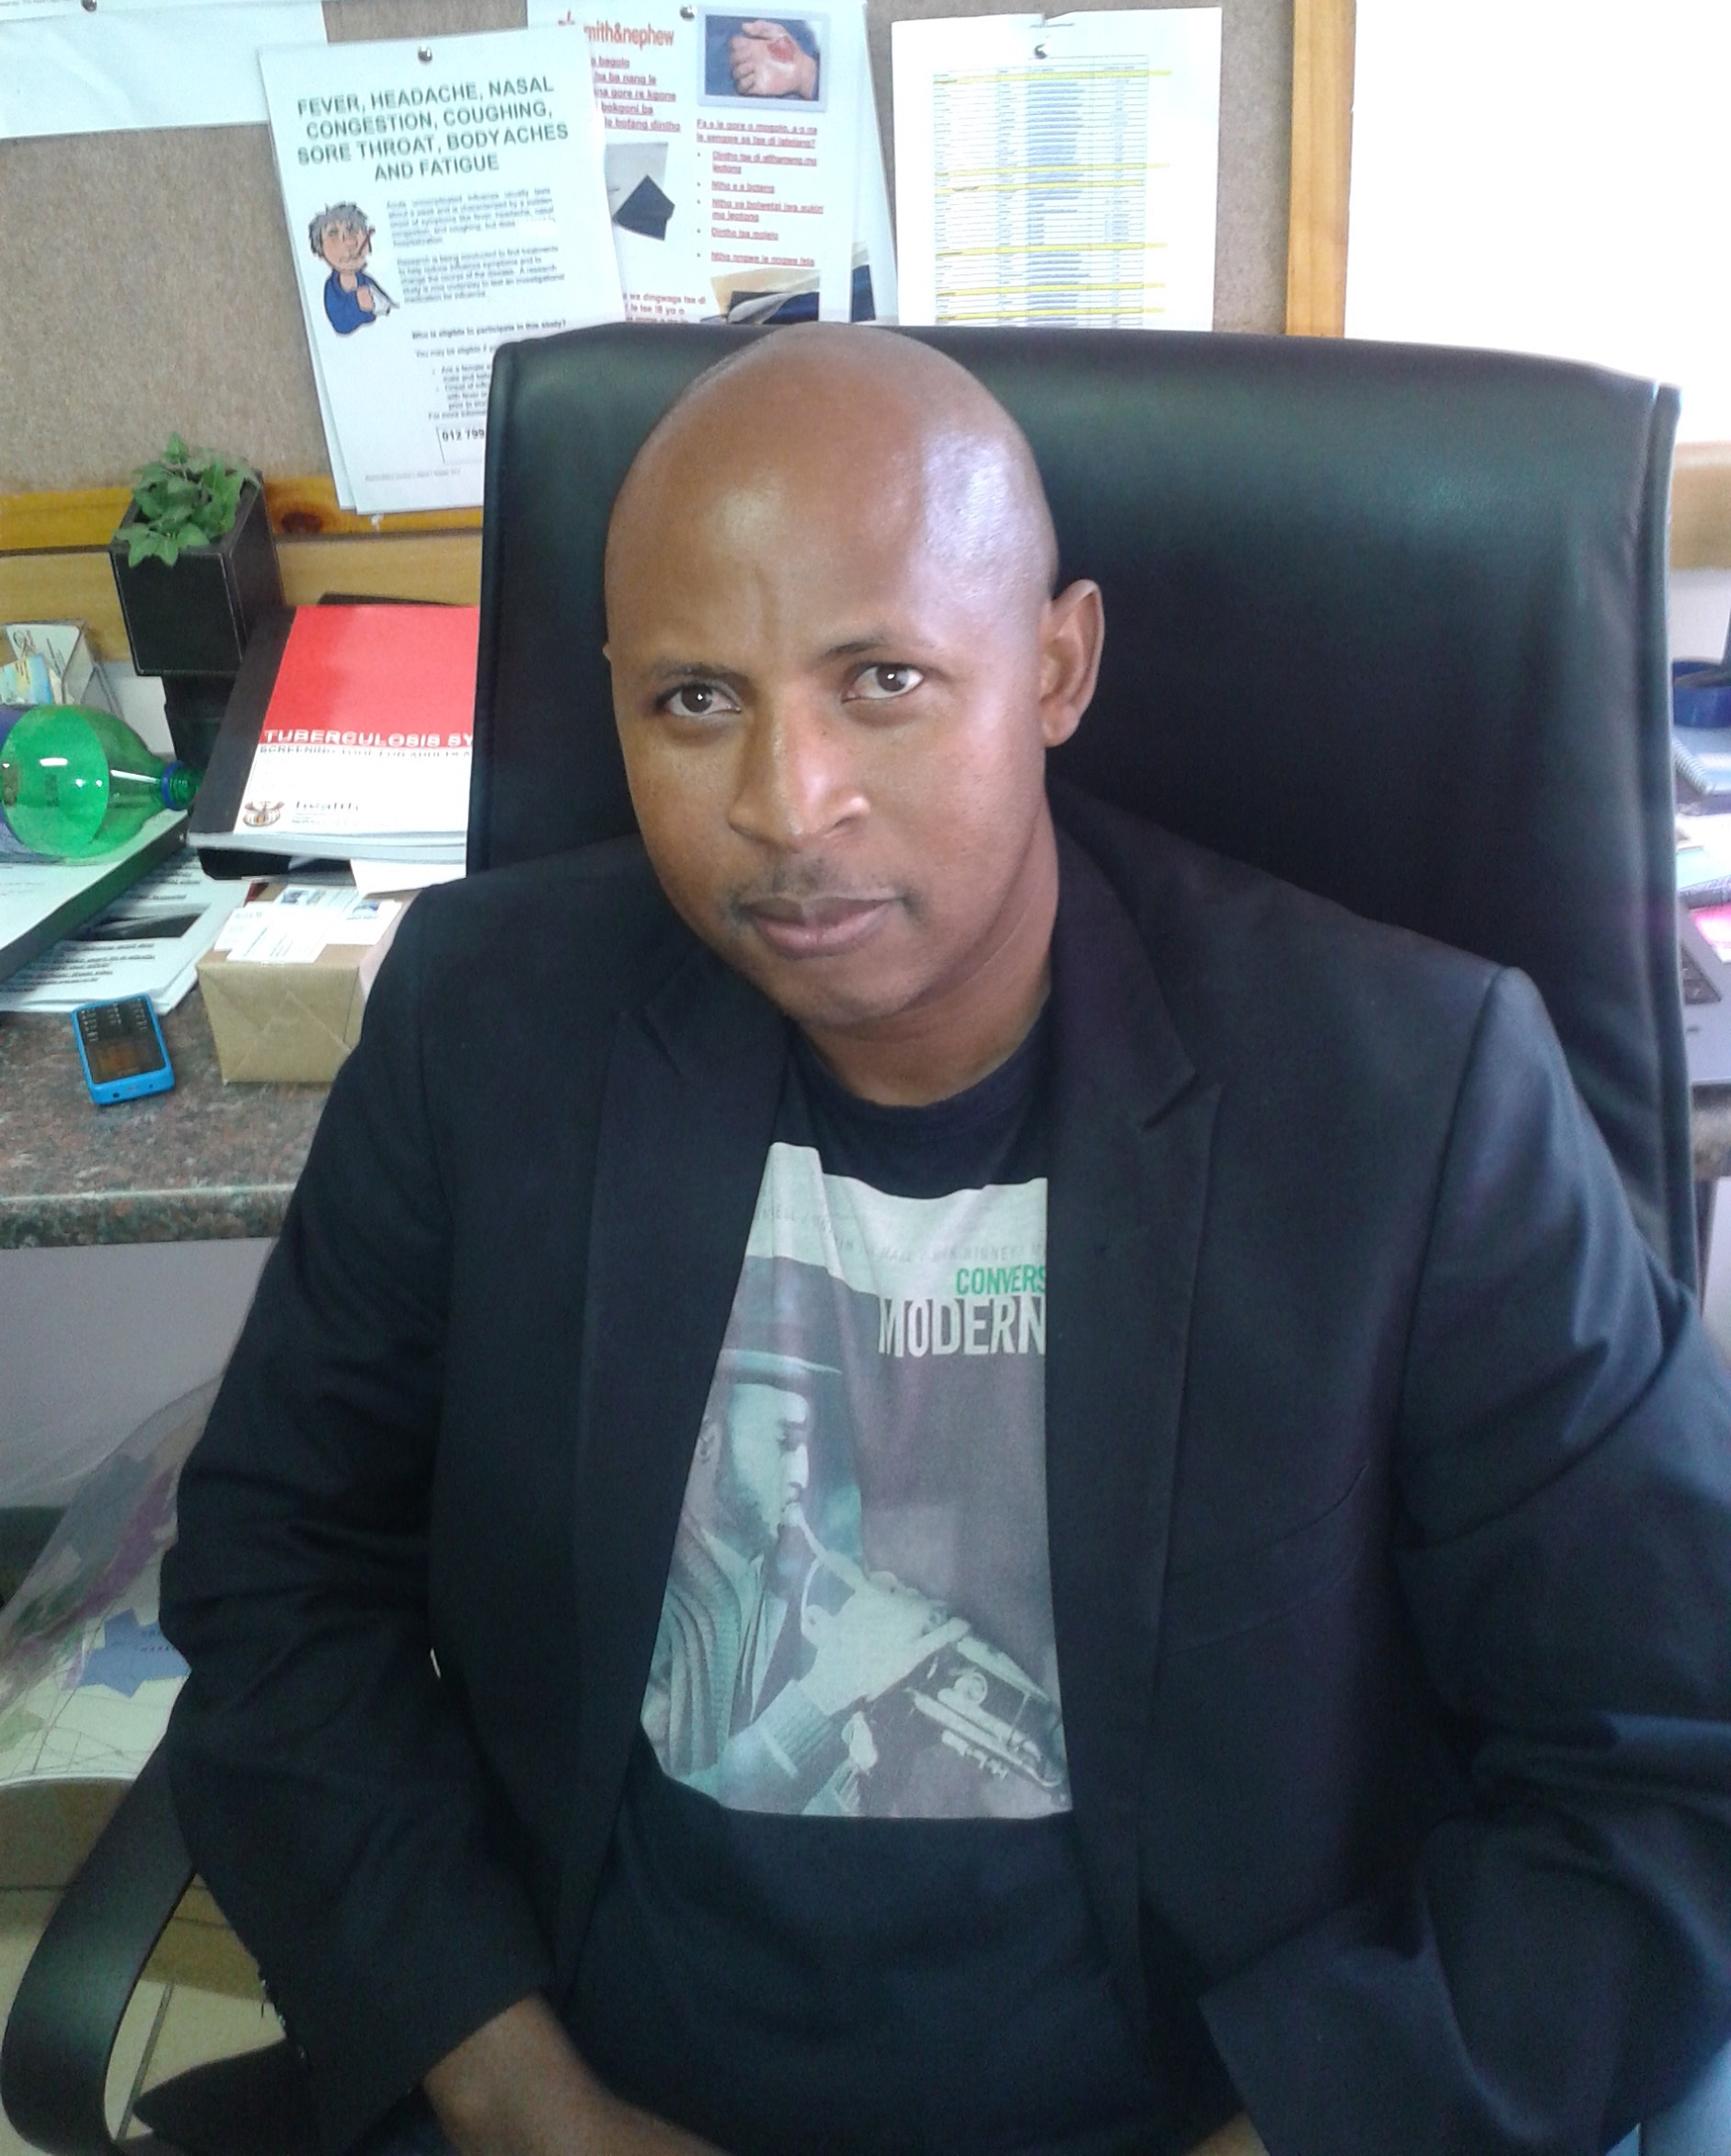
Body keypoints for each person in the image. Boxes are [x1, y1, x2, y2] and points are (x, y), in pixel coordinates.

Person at [160, 325, 1731, 2156]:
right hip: (592, 2087)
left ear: (1055, 667)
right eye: (694, 699)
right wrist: (521, 2097)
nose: (784, 800)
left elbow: (1670, 1766)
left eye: (884, 680)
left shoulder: (1410, 1098)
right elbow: (279, 1575)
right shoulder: (485, 1027)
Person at [309, 202, 396, 336]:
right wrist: (356, 304)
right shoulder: (332, 289)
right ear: (320, 249)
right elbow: (340, 325)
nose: (350, 242)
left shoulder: (368, 282)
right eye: (333, 234)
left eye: (353, 230)